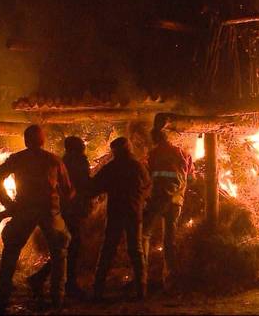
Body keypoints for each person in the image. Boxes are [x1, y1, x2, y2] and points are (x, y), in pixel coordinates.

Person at [0, 125, 73, 312]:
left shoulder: (18, 159)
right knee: (59, 253)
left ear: (26, 141)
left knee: (11, 251)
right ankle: (58, 299)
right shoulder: (53, 160)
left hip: (23, 209)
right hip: (49, 211)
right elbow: (68, 190)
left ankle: (2, 297)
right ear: (43, 141)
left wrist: (8, 203)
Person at [88, 137, 151, 301]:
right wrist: (141, 199)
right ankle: (141, 290)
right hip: (133, 212)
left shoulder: (111, 168)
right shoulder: (138, 166)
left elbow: (94, 187)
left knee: (108, 250)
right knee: (136, 250)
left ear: (115, 152)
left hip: (115, 212)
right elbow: (148, 185)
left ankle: (98, 289)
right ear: (129, 148)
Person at [27, 136, 91, 297]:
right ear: (78, 147)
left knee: (67, 246)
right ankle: (65, 285)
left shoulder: (61, 161)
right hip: (72, 209)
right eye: (82, 145)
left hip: (62, 208)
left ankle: (43, 279)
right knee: (71, 246)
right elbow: (83, 185)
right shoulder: (79, 161)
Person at [142, 128, 194, 288]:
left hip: (158, 199)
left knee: (143, 234)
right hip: (176, 200)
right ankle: (169, 278)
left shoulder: (153, 154)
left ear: (155, 139)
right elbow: (191, 176)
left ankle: (141, 276)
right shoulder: (184, 153)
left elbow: (145, 177)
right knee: (169, 240)